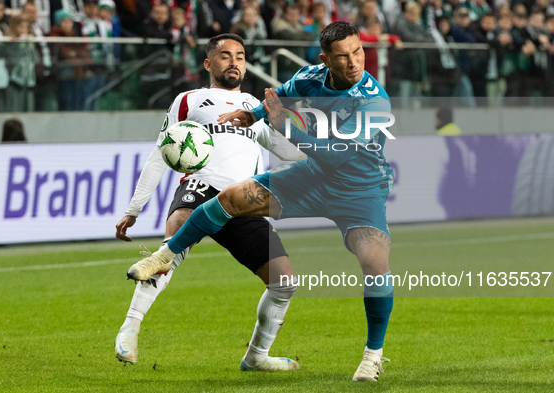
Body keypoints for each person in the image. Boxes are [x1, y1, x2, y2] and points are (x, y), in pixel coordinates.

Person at [128, 22, 395, 383]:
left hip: (360, 189)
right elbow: (284, 92)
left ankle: (372, 356)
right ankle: (165, 254)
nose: (354, 62)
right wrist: (251, 114)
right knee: (232, 197)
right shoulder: (312, 76)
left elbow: (335, 155)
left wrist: (285, 125)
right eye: (343, 56)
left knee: (375, 261)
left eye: (358, 52)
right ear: (325, 59)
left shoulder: (374, 101)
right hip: (315, 179)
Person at [115, 33, 306, 371]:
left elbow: (292, 154)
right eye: (225, 55)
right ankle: (130, 326)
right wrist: (134, 209)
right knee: (173, 243)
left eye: (241, 56)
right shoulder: (188, 100)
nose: (234, 61)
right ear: (208, 63)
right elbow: (161, 154)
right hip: (201, 185)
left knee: (285, 282)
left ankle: (256, 356)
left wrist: (279, 123)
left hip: (245, 199)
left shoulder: (253, 107)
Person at [6, 15, 38, 112]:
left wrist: (30, 45)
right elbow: (12, 59)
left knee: (29, 109)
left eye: (26, 27)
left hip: (28, 82)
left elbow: (36, 59)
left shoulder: (30, 44)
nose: (24, 30)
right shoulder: (10, 43)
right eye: (21, 27)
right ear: (15, 27)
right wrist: (19, 43)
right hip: (15, 82)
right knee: (15, 109)